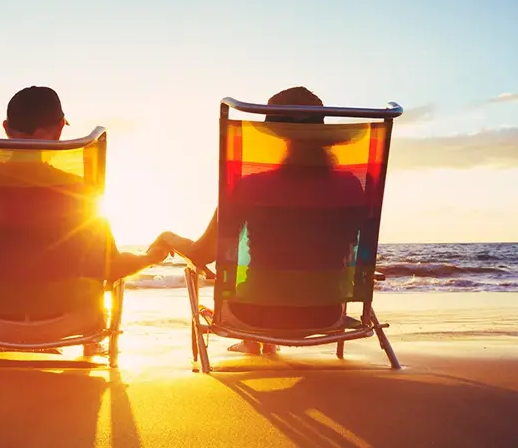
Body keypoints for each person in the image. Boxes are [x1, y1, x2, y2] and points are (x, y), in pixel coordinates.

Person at [0, 86, 170, 355]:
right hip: (69, 323)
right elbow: (110, 268)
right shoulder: (81, 191)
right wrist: (150, 257)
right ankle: (90, 348)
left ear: (7, 128)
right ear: (58, 130)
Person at [150, 86, 365, 355]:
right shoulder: (352, 186)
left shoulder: (250, 186)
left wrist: (168, 237)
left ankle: (255, 339)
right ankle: (261, 342)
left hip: (253, 315)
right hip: (326, 314)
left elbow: (202, 254)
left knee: (257, 283)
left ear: (278, 137)